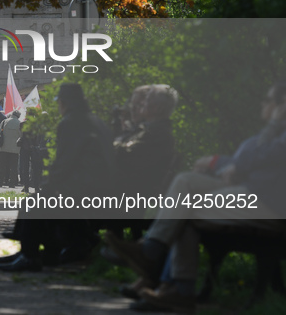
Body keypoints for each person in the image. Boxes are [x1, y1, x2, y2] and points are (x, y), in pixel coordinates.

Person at [104, 81, 286, 313]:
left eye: (269, 100)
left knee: (184, 209)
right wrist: (223, 166)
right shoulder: (274, 133)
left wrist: (221, 163)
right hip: (252, 193)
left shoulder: (276, 133)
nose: (263, 103)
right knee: (186, 182)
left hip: (268, 202)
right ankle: (168, 278)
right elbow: (250, 156)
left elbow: (266, 156)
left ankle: (163, 272)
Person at [0, 83, 114, 271]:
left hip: (84, 189)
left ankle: (30, 256)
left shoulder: (70, 122)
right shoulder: (95, 120)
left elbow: (65, 161)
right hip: (99, 187)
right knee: (40, 201)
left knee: (32, 203)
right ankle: (40, 253)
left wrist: (49, 186)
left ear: (64, 103)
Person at [0, 110, 21, 187]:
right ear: (18, 116)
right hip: (15, 148)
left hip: (3, 147)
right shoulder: (19, 123)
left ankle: (0, 182)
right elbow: (21, 135)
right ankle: (12, 183)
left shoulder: (4, 121)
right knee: (13, 167)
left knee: (2, 166)